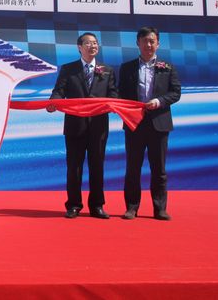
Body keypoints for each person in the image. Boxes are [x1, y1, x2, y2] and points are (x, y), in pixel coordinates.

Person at [47, 32, 118, 219]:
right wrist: (53, 102)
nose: (93, 46)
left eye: (95, 43)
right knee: (74, 167)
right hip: (75, 126)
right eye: (88, 43)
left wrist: (111, 103)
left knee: (97, 167)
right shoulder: (68, 69)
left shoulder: (107, 70)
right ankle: (73, 205)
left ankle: (97, 206)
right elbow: (59, 91)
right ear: (79, 47)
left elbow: (113, 94)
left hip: (98, 127)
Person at [118, 26, 181, 221]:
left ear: (158, 44)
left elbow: (175, 93)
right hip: (134, 124)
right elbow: (120, 94)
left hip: (159, 124)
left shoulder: (167, 67)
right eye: (144, 41)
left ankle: (160, 208)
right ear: (138, 43)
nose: (148, 45)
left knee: (159, 169)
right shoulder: (127, 68)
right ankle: (131, 208)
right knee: (133, 168)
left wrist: (159, 101)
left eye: (152, 41)